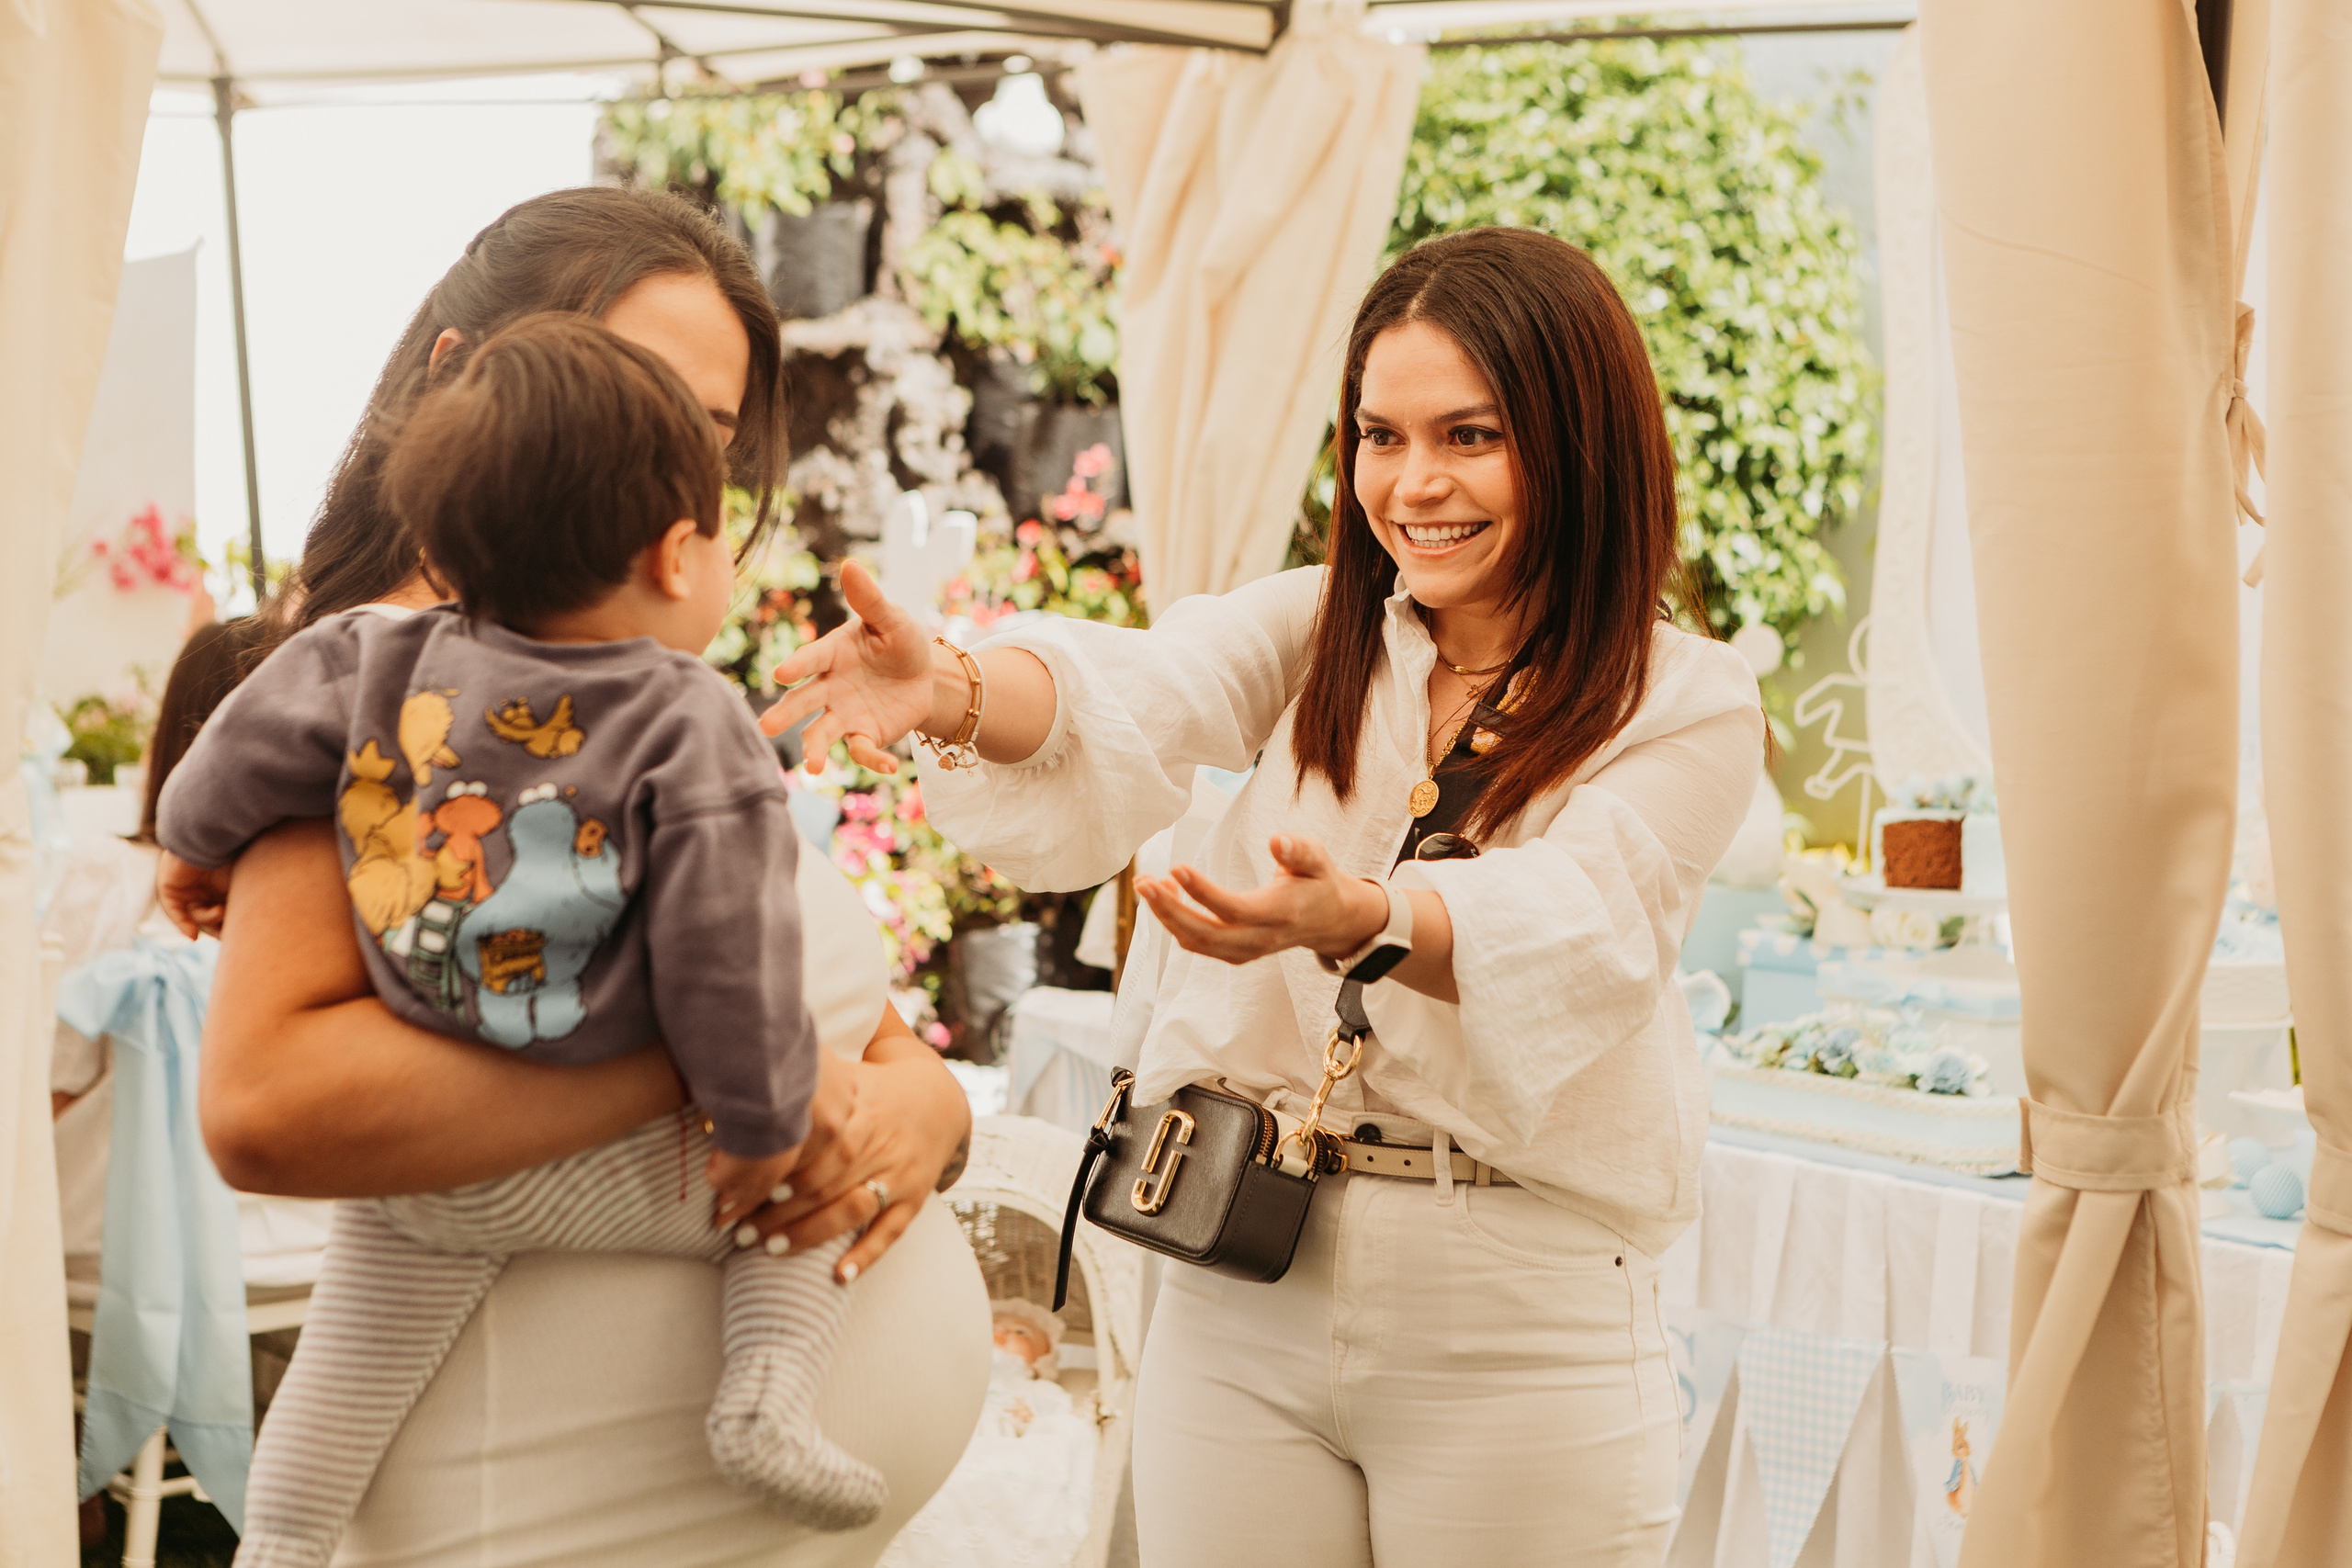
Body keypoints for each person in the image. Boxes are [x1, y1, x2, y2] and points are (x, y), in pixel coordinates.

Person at [763, 226, 1765, 1564]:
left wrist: (1372, 921)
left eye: (1470, 436)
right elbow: (1132, 690)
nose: (1413, 485)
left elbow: (1592, 922)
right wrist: (950, 688)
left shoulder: (1685, 699)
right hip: (1245, 1273)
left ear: (1580, 441)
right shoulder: (1318, 628)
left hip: (1519, 1310)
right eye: (1380, 436)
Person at [180, 187, 986, 1566]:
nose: (677, 472)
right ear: (460, 380)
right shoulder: (392, 707)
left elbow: (868, 1035)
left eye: (712, 444)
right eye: (641, 395)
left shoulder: (647, 706)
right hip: (542, 1495)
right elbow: (268, 1105)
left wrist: (921, 1116)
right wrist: (743, 1074)